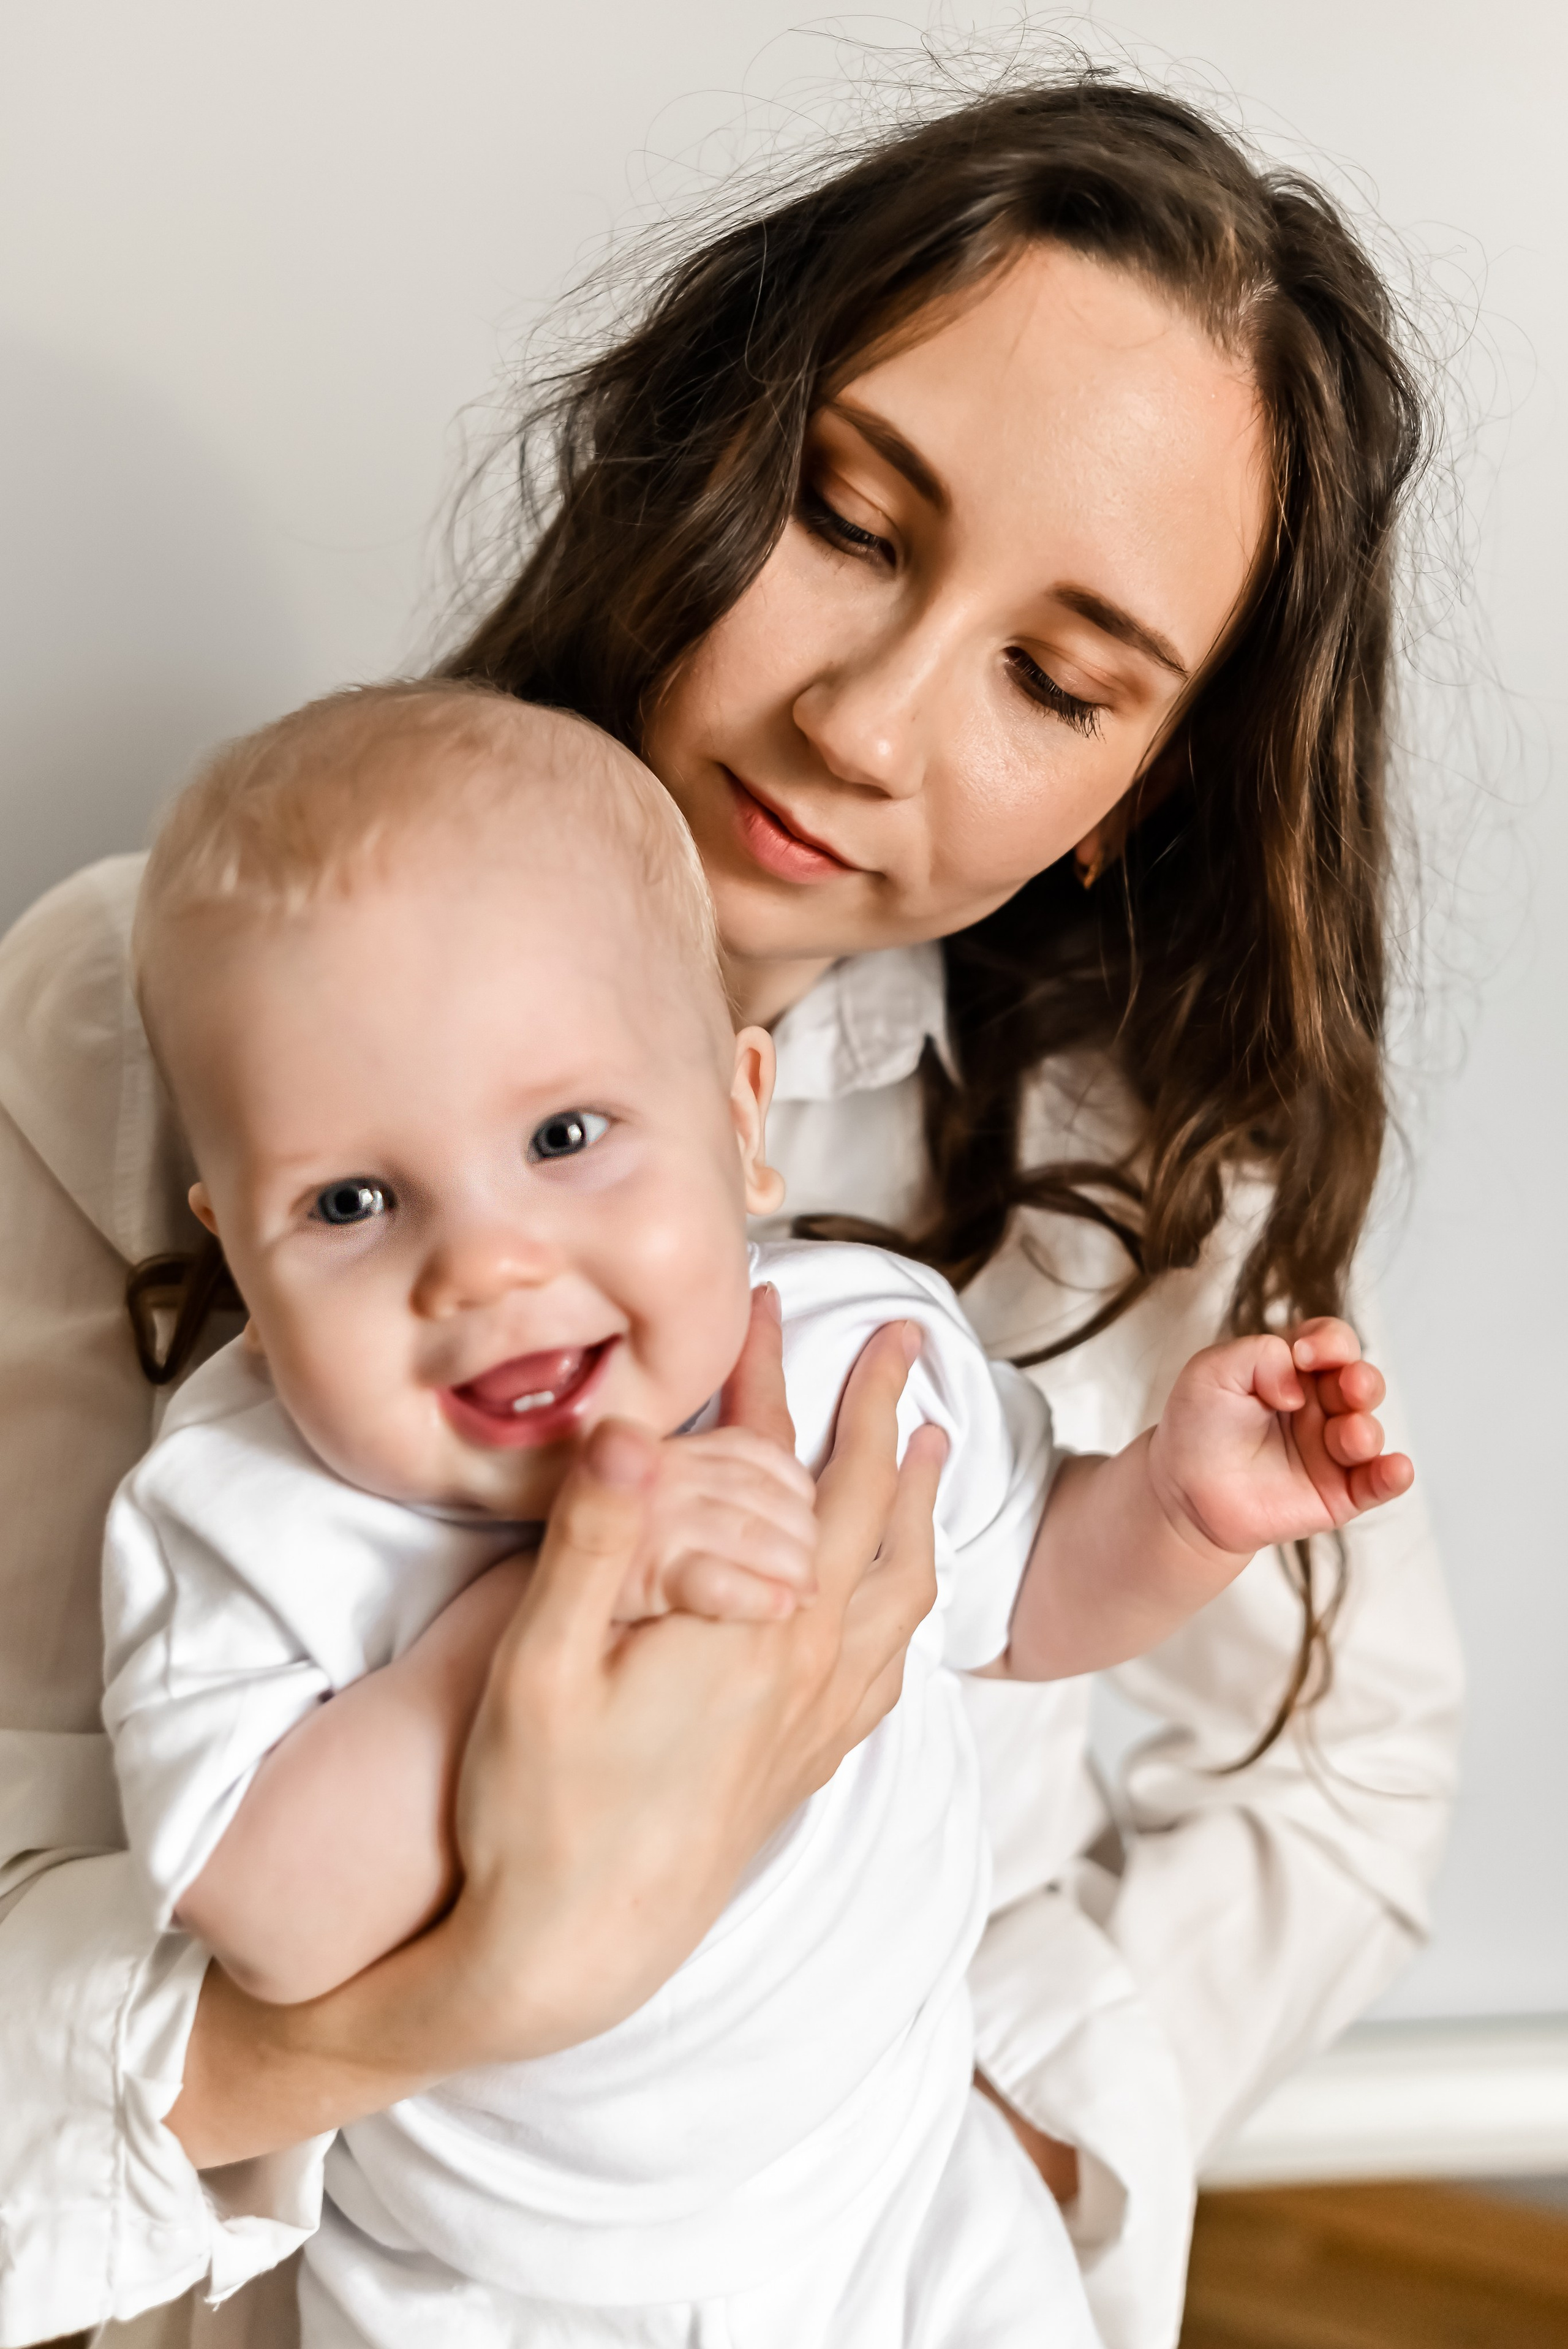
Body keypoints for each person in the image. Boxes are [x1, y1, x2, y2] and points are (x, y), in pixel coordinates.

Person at [0, 69, 1463, 2349]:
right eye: (849, 519)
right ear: (696, 444)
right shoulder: (141, 1011)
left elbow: (1314, 1736)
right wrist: (472, 1980)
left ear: (1132, 784)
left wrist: (1029, 2122)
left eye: (1057, 678)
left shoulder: (1105, 1171)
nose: (870, 722)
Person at [103, 681, 1409, 2349]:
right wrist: (566, 1599)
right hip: (492, 2292)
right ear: (235, 1245)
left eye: (564, 1134)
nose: (485, 1266)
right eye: (351, 1200)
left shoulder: (860, 1351)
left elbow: (1022, 1599)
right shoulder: (244, 1513)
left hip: (904, 2184)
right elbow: (265, 1914)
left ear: (738, 1118)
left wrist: (1175, 1504)